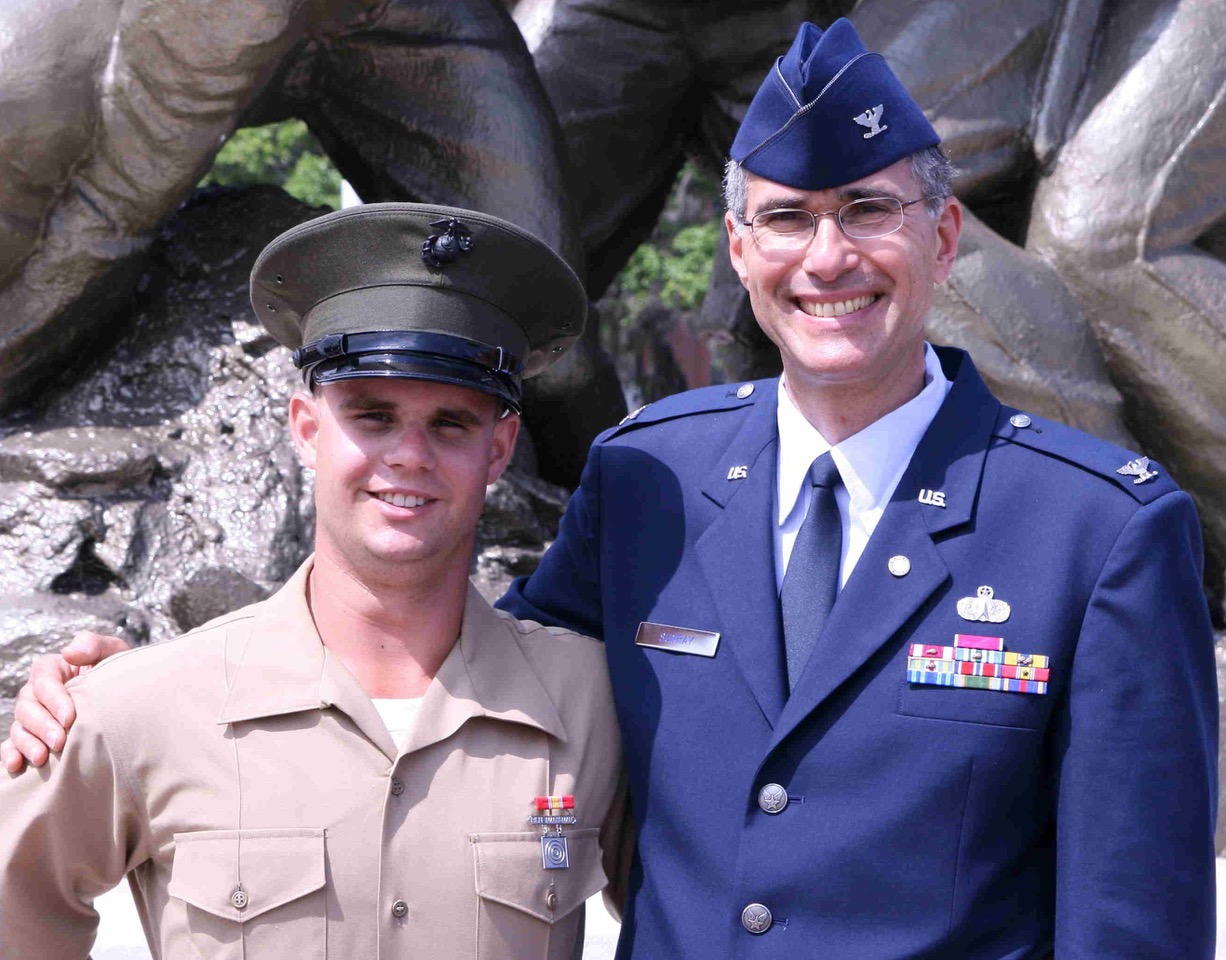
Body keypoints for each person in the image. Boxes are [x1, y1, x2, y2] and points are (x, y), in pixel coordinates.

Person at [6, 17, 1218, 959]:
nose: (827, 258)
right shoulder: (653, 479)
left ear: (944, 239)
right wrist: (136, 690)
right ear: (738, 250)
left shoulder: (1096, 528)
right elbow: (462, 661)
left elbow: (1132, 919)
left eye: (867, 213)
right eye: (786, 219)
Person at [0, 202, 627, 959]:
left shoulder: (596, 706)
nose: (408, 456)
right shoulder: (142, 707)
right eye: (373, 415)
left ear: (500, 449)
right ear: (306, 428)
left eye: (451, 424)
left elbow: (704, 908)